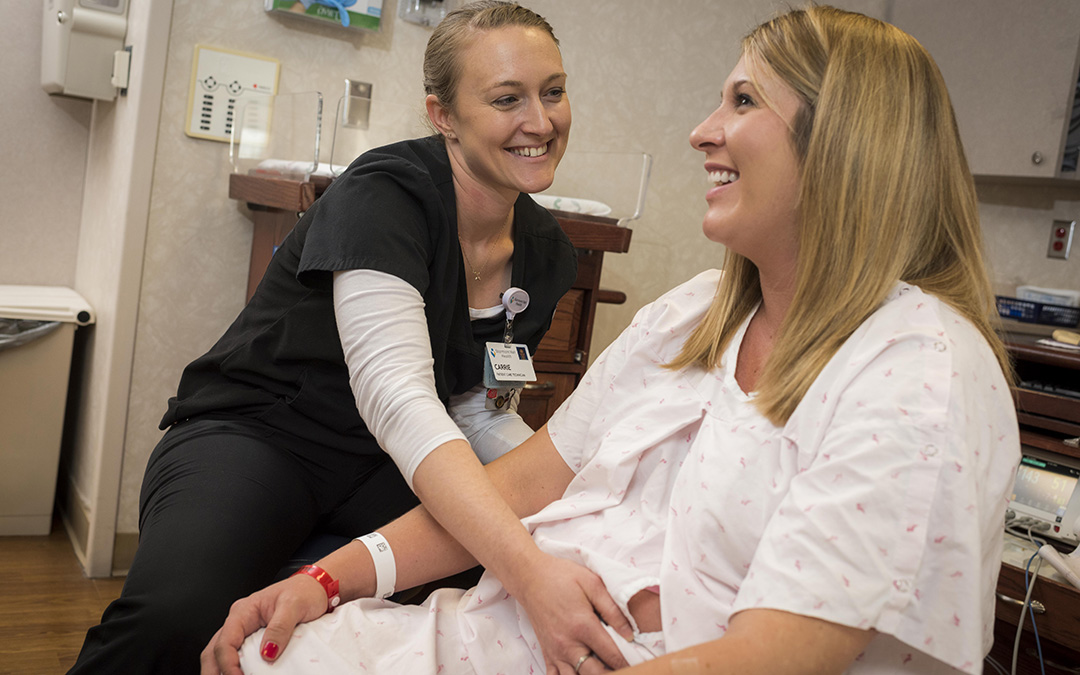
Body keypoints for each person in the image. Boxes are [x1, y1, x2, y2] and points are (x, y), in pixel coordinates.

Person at [202, 5, 1020, 675]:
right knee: (240, 641)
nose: (701, 132)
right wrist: (327, 578)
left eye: (743, 101)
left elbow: (783, 650)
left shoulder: (915, 369)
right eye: (506, 98)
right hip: (278, 444)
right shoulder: (694, 315)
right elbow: (513, 474)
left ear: (847, 141)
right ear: (443, 118)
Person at [69, 3, 641, 674]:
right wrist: (526, 565)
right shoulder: (386, 194)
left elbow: (477, 406)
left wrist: (563, 494)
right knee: (178, 616)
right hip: (263, 434)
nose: (540, 122)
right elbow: (398, 397)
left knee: (463, 606)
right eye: (506, 98)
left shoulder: (548, 253)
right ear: (443, 115)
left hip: (386, 468)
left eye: (553, 92)